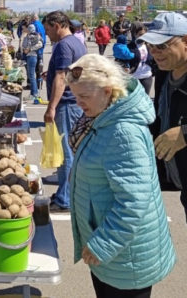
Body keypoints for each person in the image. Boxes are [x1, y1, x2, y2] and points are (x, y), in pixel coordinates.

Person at [66, 53, 176, 298]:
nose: (78, 103)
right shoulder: (104, 117)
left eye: (83, 96)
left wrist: (102, 244)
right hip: (113, 252)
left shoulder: (123, 132)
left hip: (125, 256)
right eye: (75, 96)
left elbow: (133, 202)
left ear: (107, 90)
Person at [137, 12, 187, 221]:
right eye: (151, 46)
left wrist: (184, 133)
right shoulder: (165, 72)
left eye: (162, 45)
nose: (155, 53)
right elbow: (159, 116)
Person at [42, 10, 87, 212]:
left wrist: (51, 107)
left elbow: (61, 77)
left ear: (57, 25)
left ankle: (64, 199)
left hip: (67, 105)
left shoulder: (63, 46)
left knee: (66, 152)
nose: (47, 34)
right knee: (70, 151)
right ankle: (65, 192)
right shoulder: (77, 42)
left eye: (48, 29)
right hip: (74, 103)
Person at [128, 24, 154, 94]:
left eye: (144, 35)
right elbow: (121, 60)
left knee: (145, 98)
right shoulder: (129, 46)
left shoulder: (150, 46)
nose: (142, 37)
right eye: (140, 34)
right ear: (135, 34)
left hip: (147, 76)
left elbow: (154, 60)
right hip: (134, 77)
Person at [22, 24, 43, 101]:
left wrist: (29, 49)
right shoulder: (31, 36)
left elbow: (40, 45)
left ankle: (34, 94)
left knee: (31, 76)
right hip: (30, 56)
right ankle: (33, 93)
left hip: (32, 56)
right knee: (31, 75)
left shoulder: (34, 36)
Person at [31, 14, 46, 89]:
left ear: (33, 18)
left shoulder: (34, 25)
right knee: (40, 68)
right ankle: (40, 84)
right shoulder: (41, 25)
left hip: (36, 50)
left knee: (35, 69)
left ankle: (36, 86)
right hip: (41, 49)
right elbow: (44, 38)